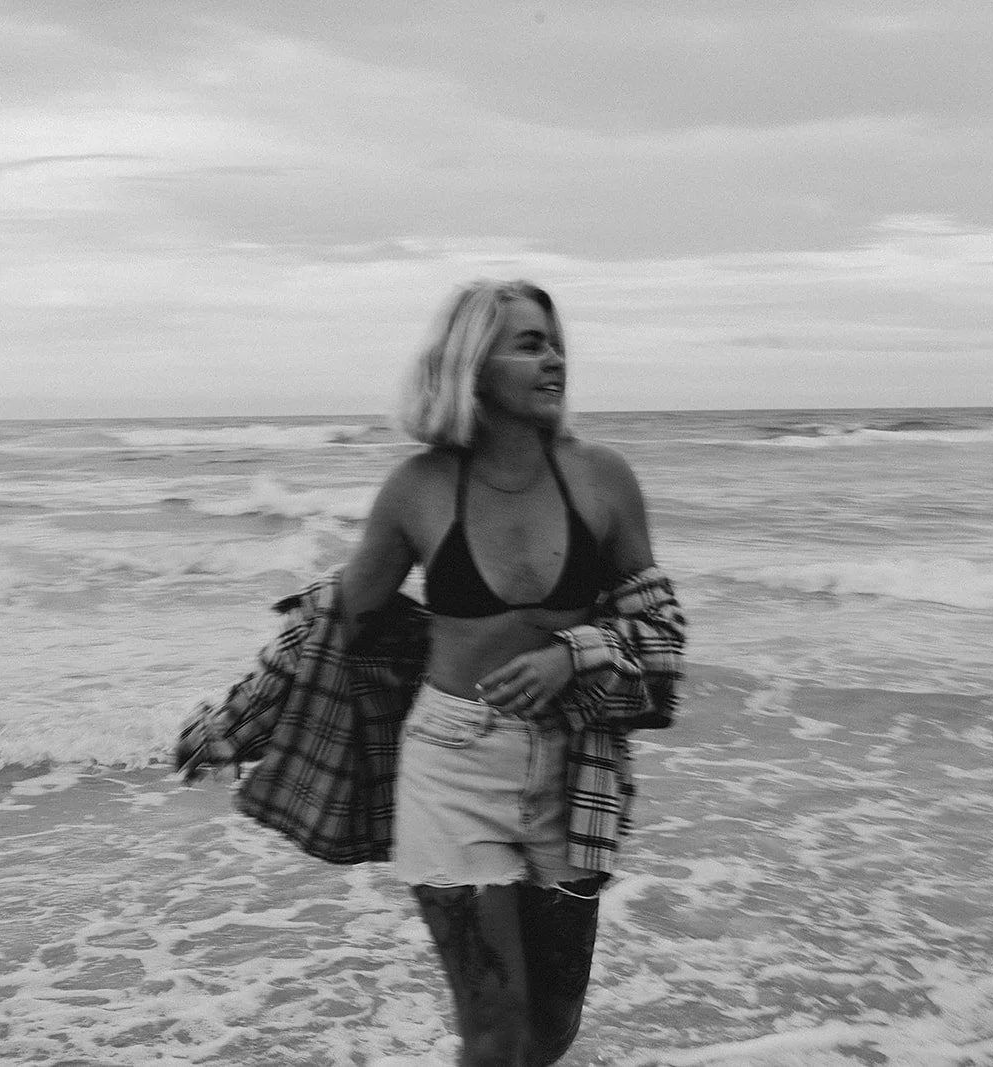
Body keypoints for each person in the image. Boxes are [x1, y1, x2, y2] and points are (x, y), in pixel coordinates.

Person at [176, 279, 684, 1066]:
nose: (554, 359)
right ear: (472, 365)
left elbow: (662, 634)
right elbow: (337, 619)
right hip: (452, 766)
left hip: (573, 766)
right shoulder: (418, 488)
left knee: (549, 1031)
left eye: (555, 343)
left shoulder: (601, 478)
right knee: (494, 1032)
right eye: (530, 344)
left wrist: (572, 656)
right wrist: (235, 721)